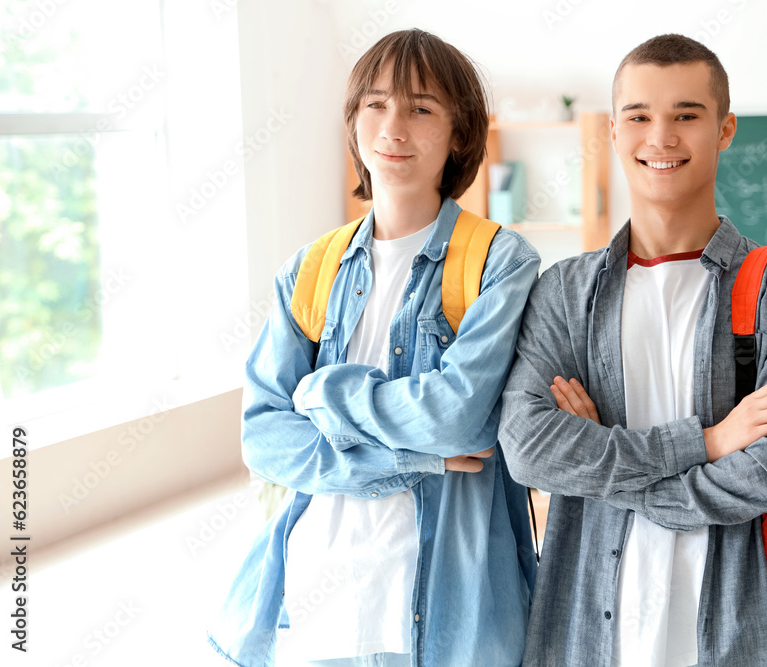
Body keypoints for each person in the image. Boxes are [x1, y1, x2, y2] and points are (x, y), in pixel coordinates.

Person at [499, 34, 767, 666]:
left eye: (686, 115)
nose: (660, 138)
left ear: (725, 129)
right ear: (613, 133)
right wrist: (710, 442)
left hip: (739, 639)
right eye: (638, 117)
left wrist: (607, 468)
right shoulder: (563, 293)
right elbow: (530, 450)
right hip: (584, 638)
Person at [208, 29, 539, 667]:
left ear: (460, 132)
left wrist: (325, 393)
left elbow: (457, 416)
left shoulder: (500, 261)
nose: (394, 127)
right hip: (317, 589)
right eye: (376, 104)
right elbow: (264, 439)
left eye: (421, 108)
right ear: (355, 122)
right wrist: (418, 460)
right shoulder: (309, 269)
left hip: (448, 598)